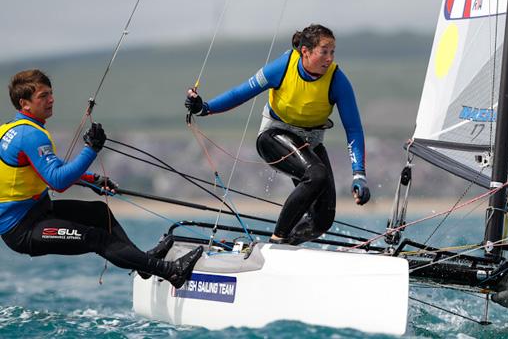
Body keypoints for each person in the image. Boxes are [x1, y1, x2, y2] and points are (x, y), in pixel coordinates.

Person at [0, 69, 202, 288]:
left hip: (38, 211)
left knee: (99, 212)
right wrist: (91, 150)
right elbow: (57, 181)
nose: (52, 99)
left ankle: (144, 264)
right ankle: (172, 272)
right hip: (22, 228)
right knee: (97, 238)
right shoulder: (30, 135)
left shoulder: (11, 129)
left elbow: (47, 170)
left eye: (51, 93)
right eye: (43, 96)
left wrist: (91, 180)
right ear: (24, 103)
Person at [186, 24, 370, 245]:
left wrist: (359, 174)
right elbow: (242, 92)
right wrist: (203, 108)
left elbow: (353, 129)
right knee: (316, 174)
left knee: (322, 220)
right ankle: (277, 239)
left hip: (310, 145)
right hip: (273, 137)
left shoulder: (337, 80)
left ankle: (281, 247)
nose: (329, 58)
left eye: (332, 52)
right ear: (306, 51)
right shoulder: (282, 67)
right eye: (324, 51)